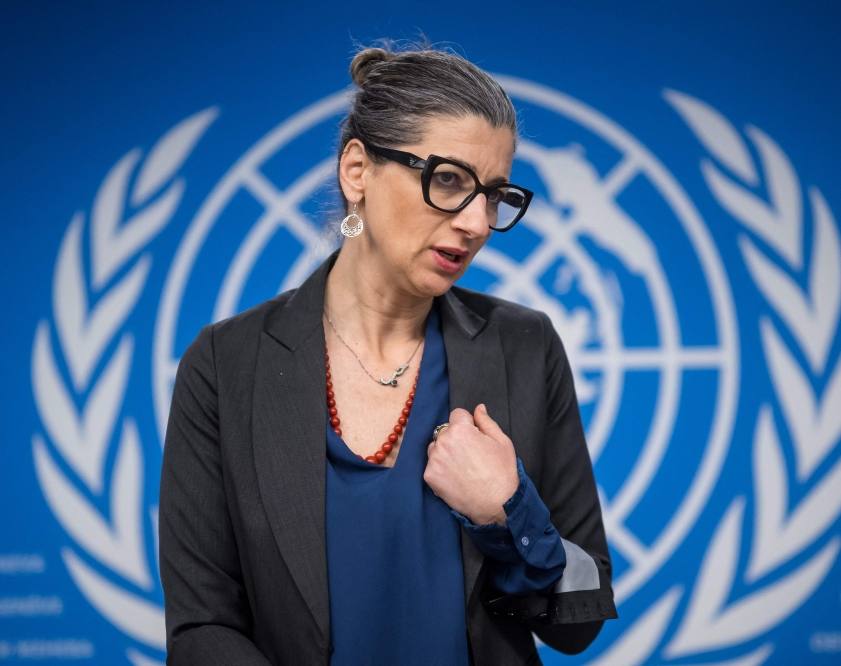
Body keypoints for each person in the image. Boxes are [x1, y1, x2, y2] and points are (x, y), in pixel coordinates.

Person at [159, 43, 616, 666]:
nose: (477, 223)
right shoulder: (225, 363)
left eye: (494, 195)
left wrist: (507, 512)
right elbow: (202, 627)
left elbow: (578, 622)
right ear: (357, 171)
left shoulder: (526, 346)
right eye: (449, 180)